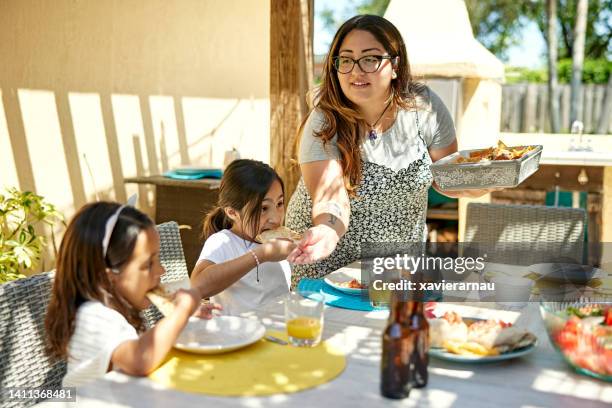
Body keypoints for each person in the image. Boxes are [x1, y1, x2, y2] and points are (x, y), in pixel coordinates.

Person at [286, 15, 492, 285]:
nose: (356, 71)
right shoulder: (325, 120)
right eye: (346, 60)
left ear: (395, 65)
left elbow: (447, 179)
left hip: (396, 261)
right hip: (327, 259)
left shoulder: (425, 107)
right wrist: (326, 232)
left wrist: (483, 181)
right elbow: (332, 198)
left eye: (370, 58)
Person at [45, 201, 219, 387]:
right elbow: (140, 359)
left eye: (157, 259)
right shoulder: (92, 316)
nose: (161, 270)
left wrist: (184, 316)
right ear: (107, 277)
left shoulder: (121, 309)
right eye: (148, 264)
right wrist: (181, 312)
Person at [191, 159, 295, 315]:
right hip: (238, 335)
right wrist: (261, 254)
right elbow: (196, 287)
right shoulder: (223, 242)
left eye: (279, 204)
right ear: (232, 212)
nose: (275, 218)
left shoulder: (281, 241)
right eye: (263, 208)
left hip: (278, 329)